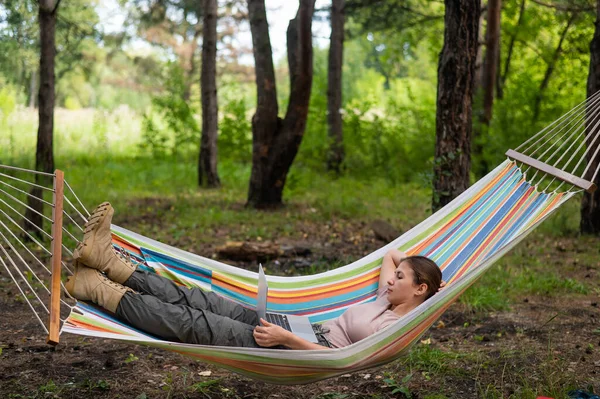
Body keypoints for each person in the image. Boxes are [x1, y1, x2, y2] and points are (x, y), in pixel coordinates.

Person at [65, 203, 444, 349]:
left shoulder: (398, 324)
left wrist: (283, 338)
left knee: (192, 322)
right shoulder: (388, 296)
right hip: (292, 325)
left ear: (420, 290)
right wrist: (409, 273)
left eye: (401, 278)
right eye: (394, 275)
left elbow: (345, 358)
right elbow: (393, 256)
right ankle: (110, 264)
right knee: (200, 299)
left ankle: (97, 288)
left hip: (291, 347)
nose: (391, 278)